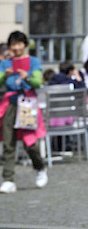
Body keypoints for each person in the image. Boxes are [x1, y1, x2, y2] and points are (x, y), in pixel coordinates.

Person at [0, 31, 47, 193]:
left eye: (20, 43)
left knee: (30, 142)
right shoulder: (6, 63)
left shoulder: (33, 62)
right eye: (14, 44)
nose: (17, 47)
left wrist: (27, 76)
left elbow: (37, 82)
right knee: (8, 142)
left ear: (25, 45)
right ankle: (8, 179)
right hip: (10, 103)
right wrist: (4, 77)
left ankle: (40, 167)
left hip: (27, 103)